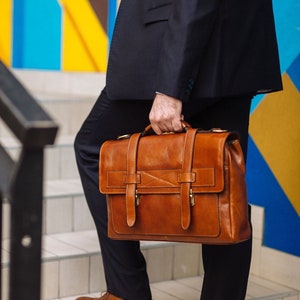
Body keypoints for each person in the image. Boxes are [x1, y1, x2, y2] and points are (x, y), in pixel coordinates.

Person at [74, 1, 282, 299]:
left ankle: (127, 292)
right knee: (225, 190)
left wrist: (170, 88)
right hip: (235, 47)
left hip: (174, 40)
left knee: (93, 146)